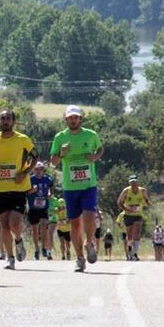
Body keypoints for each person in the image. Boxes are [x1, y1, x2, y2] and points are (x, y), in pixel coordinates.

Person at [50, 105, 104, 272]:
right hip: (70, 187)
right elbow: (53, 161)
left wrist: (94, 156)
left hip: (89, 185)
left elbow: (101, 148)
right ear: (65, 119)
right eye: (70, 118)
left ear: (81, 119)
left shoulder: (91, 135)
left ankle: (90, 242)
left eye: (76, 117)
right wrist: (61, 153)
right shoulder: (60, 138)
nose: (73, 120)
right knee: (74, 223)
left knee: (89, 215)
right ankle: (80, 258)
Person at [0, 109, 38, 270]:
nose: (5, 121)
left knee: (14, 223)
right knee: (4, 226)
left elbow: (35, 156)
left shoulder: (23, 139)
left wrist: (25, 173)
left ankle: (19, 239)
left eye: (8, 118)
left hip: (18, 187)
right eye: (2, 118)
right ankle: (10, 258)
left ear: (13, 122)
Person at [117, 175, 151, 261]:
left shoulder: (142, 191)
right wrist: (127, 209)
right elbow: (119, 202)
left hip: (138, 215)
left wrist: (147, 203)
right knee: (129, 235)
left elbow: (147, 200)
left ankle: (135, 253)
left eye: (135, 182)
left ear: (137, 182)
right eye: (132, 183)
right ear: (129, 183)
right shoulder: (126, 191)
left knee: (137, 233)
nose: (133, 184)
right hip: (128, 215)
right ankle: (129, 251)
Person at [26, 162, 53, 260]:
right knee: (35, 230)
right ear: (33, 170)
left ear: (43, 170)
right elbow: (24, 192)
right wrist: (31, 191)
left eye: (40, 169)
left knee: (44, 227)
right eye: (36, 169)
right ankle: (36, 251)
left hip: (43, 207)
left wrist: (49, 193)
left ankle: (43, 248)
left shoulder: (48, 179)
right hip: (33, 208)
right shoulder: (29, 179)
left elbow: (50, 189)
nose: (38, 171)